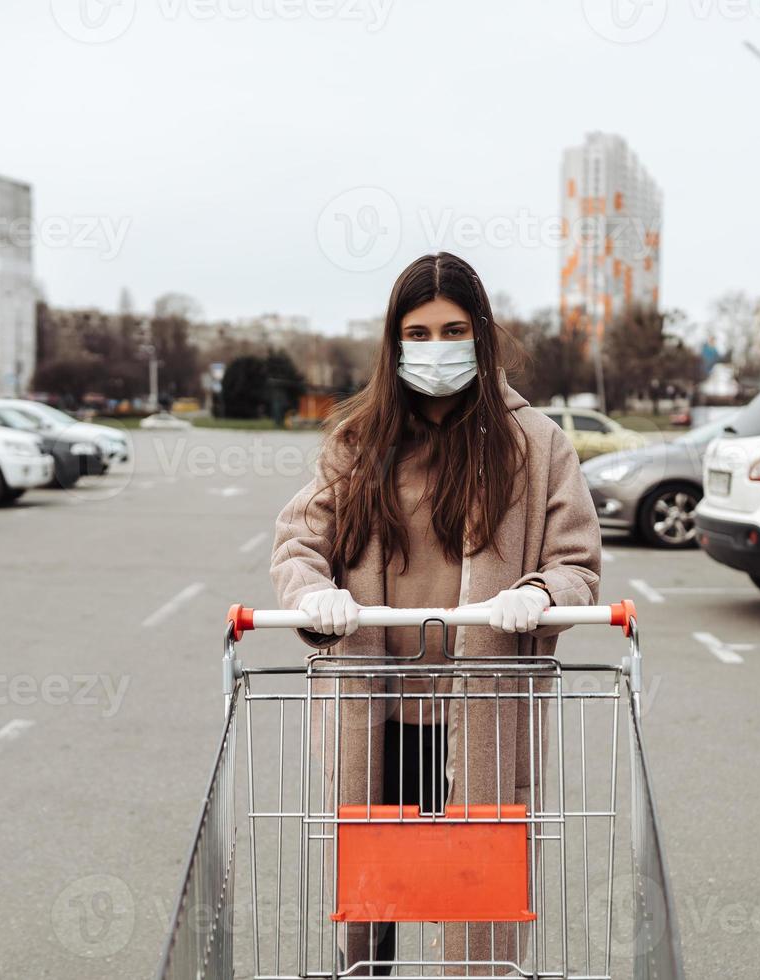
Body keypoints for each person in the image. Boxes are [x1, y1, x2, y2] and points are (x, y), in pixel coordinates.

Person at [270, 251, 601, 976]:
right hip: (379, 718)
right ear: (394, 344)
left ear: (482, 334)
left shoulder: (534, 444)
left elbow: (576, 564)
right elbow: (298, 543)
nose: (435, 348)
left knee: (476, 913)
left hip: (481, 718)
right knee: (370, 918)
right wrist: (313, 594)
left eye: (451, 330)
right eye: (416, 334)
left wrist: (539, 594)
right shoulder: (360, 441)